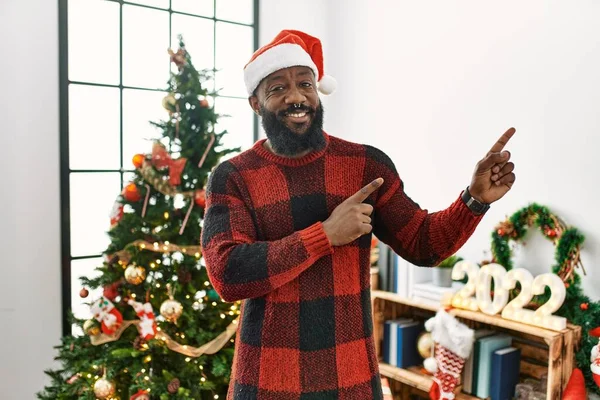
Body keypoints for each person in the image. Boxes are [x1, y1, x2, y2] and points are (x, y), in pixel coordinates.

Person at [201, 29, 516, 400]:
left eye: (306, 84)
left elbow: (423, 244)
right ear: (255, 103)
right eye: (277, 88)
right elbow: (228, 273)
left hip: (350, 380)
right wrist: (325, 235)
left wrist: (475, 199)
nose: (296, 96)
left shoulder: (365, 164)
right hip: (268, 381)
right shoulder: (233, 176)